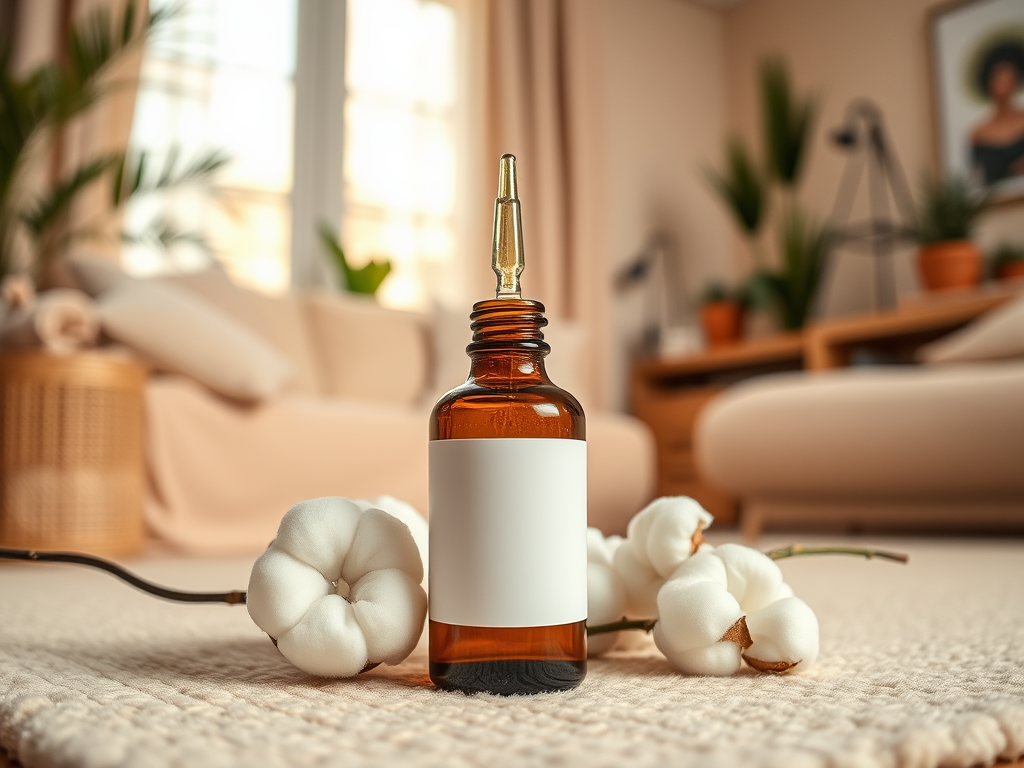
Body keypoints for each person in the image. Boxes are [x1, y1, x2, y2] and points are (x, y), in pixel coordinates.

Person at [970, 38, 1024, 186]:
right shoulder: (978, 133)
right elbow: (976, 180)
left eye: (1009, 79)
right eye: (998, 79)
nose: (1004, 86)